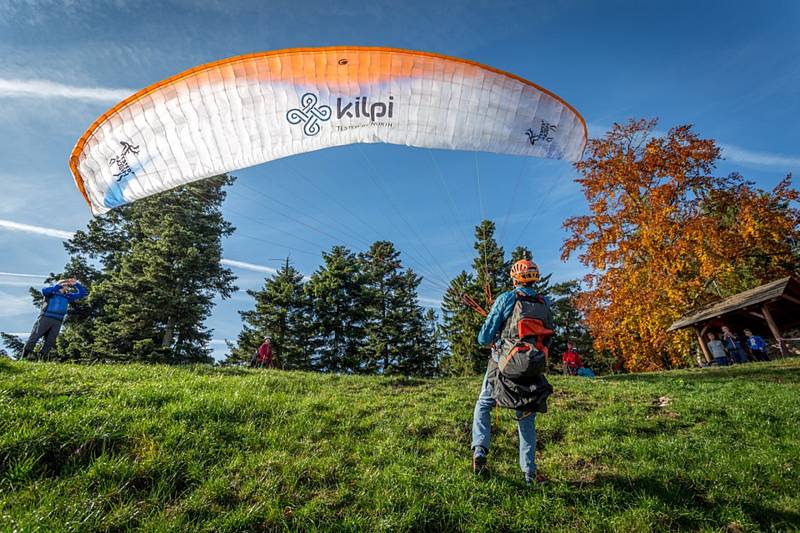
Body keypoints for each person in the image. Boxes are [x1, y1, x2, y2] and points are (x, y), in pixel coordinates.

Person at [472, 259, 552, 486]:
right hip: (533, 367)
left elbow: (483, 338)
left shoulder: (507, 299)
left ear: (515, 277)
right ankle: (530, 474)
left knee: (484, 404)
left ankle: (480, 451)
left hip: (503, 365)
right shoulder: (544, 302)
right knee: (526, 418)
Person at [22, 278, 88, 360]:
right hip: (45, 318)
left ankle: (41, 359)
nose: (65, 286)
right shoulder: (51, 293)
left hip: (58, 321)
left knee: (50, 342)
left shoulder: (67, 296)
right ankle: (23, 358)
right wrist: (59, 285)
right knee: (34, 337)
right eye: (63, 284)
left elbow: (82, 293)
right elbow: (45, 291)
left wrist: (76, 284)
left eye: (67, 285)